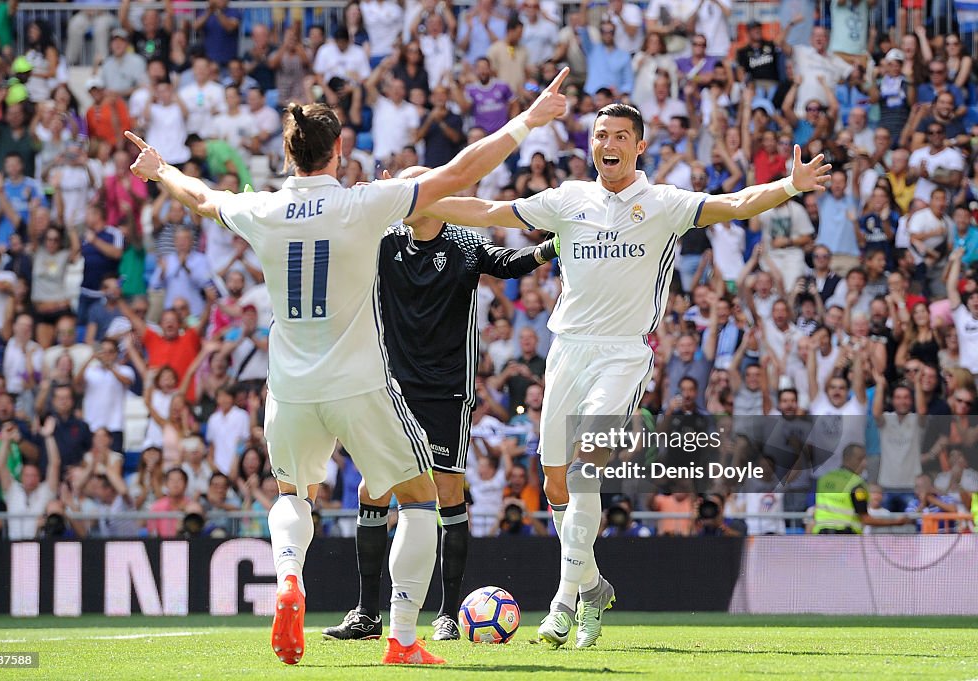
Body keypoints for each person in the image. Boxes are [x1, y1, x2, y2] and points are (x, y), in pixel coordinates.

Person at [125, 68, 569, 665]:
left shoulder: (261, 209)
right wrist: (529, 119)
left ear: (288, 154)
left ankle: (288, 580)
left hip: (288, 386)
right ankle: (405, 638)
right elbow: (460, 174)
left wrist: (160, 170)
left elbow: (201, 198)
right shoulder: (365, 204)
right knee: (417, 498)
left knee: (292, 493)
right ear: (340, 150)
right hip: (359, 383)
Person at [421, 103, 831, 648]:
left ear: (639, 146)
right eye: (599, 135)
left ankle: (564, 603)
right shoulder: (569, 199)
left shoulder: (663, 204)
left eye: (618, 135)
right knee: (556, 483)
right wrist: (415, 200)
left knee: (588, 462)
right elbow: (492, 211)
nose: (606, 143)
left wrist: (789, 185)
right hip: (566, 351)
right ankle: (593, 588)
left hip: (622, 354)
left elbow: (734, 204)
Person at [321, 166, 557, 642]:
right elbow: (335, 234)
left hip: (446, 389)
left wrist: (555, 245)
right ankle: (368, 614)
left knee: (448, 493)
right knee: (373, 490)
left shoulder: (465, 244)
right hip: (390, 387)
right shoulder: (383, 241)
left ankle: (448, 613)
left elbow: (512, 263)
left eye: (412, 189)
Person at [812, 444, 913, 534]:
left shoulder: (824, 479)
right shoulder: (856, 484)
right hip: (845, 536)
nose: (864, 463)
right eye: (860, 459)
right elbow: (866, 519)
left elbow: (817, 509)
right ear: (847, 459)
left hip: (821, 536)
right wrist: (897, 522)